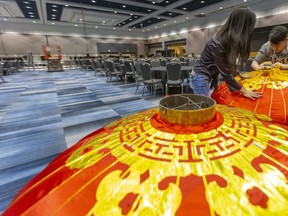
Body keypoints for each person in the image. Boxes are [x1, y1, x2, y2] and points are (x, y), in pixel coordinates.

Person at [191, 7, 263, 100]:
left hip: (207, 77)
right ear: (241, 26)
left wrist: (240, 75)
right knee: (205, 108)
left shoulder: (228, 41)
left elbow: (229, 64)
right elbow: (225, 72)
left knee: (209, 105)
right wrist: (244, 91)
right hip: (200, 78)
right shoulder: (216, 44)